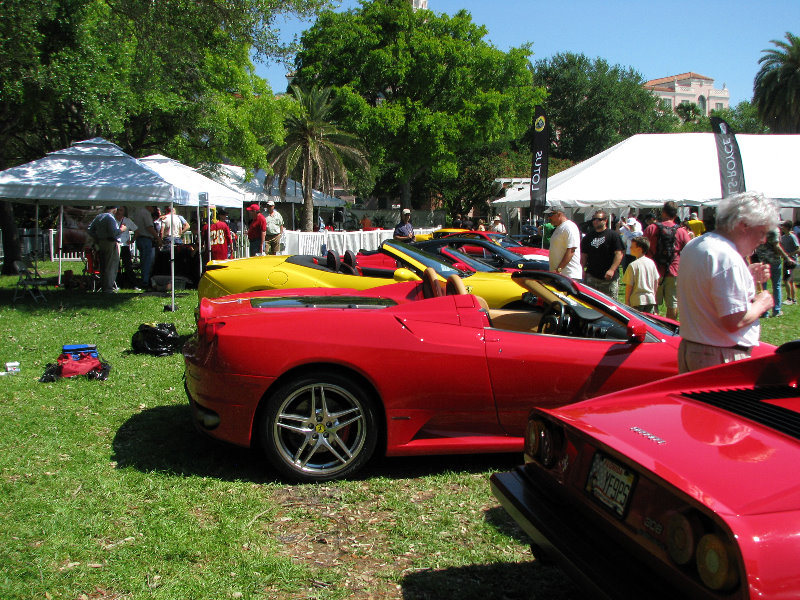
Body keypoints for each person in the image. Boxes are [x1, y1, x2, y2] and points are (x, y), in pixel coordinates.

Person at [676, 191, 778, 373]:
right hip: (719, 357)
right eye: (761, 232)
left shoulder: (697, 245)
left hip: (694, 349)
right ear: (744, 225)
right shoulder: (727, 257)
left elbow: (709, 289)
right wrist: (762, 304)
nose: (763, 240)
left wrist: (747, 276)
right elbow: (734, 321)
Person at [644, 201, 691, 320]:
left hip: (654, 271)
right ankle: (670, 328)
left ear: (663, 212)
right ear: (675, 214)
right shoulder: (681, 231)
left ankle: (654, 327)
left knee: (653, 302)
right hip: (674, 270)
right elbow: (689, 249)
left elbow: (642, 247)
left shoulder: (651, 228)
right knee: (673, 303)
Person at [580, 209, 624, 298]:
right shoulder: (588, 237)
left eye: (599, 219)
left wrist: (612, 270)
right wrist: (582, 269)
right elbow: (584, 255)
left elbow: (619, 254)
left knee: (609, 305)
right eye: (594, 219)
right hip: (591, 276)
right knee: (591, 304)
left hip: (608, 278)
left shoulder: (613, 235)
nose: (595, 221)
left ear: (605, 220)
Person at [755, 226, 793, 317]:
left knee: (763, 287)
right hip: (774, 261)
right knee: (776, 285)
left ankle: (764, 311)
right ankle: (776, 310)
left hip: (763, 261)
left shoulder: (759, 228)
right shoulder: (774, 229)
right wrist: (787, 258)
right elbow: (777, 246)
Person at [87, 206, 126, 293]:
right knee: (111, 266)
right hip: (110, 242)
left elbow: (89, 230)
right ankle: (108, 288)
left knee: (103, 265)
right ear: (114, 209)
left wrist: (97, 237)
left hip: (101, 242)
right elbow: (113, 233)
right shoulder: (110, 218)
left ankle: (104, 285)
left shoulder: (99, 216)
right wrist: (121, 230)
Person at [622, 236, 659, 313]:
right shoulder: (651, 263)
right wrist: (654, 296)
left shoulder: (633, 265)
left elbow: (629, 286)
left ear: (639, 249)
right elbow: (656, 281)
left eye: (632, 246)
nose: (630, 248)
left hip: (637, 300)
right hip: (650, 299)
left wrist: (627, 301)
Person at [546, 207, 582, 279]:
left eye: (550, 215)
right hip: (560, 275)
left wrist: (559, 269)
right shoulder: (559, 228)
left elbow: (571, 250)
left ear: (559, 214)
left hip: (569, 275)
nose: (548, 218)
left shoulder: (569, 227)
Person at [131, 205, 160, 289]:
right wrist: (158, 238)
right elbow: (149, 227)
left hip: (139, 239)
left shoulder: (137, 212)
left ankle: (144, 280)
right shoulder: (146, 213)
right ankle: (145, 282)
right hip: (146, 238)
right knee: (147, 262)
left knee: (143, 261)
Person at [116, 207, 138, 288]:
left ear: (124, 212)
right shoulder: (112, 220)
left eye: (120, 210)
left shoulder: (127, 221)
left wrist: (132, 240)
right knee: (116, 266)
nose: (118, 212)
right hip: (115, 245)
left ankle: (133, 283)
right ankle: (118, 283)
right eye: (118, 210)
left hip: (124, 245)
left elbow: (136, 231)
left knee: (128, 265)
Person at [780, 220, 799, 305]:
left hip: (791, 262)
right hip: (786, 261)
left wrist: (789, 255)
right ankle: (792, 299)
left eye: (783, 226)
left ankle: (791, 299)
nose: (781, 228)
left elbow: (798, 249)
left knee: (788, 280)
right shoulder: (783, 237)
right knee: (788, 280)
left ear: (786, 227)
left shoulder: (792, 237)